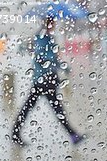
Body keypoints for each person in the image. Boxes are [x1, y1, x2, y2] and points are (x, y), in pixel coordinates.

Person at [12, 17, 84, 146]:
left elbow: (54, 59)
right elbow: (40, 58)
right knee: (56, 108)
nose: (54, 25)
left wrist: (65, 67)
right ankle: (73, 135)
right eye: (52, 23)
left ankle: (15, 133)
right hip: (43, 80)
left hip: (48, 79)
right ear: (47, 23)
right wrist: (52, 60)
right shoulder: (41, 38)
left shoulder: (49, 38)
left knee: (32, 107)